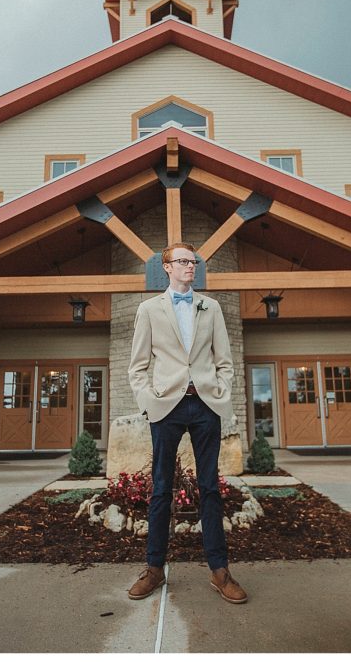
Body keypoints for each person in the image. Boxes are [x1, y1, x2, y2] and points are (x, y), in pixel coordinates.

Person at [127, 241, 247, 604]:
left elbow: (224, 360)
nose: (190, 266)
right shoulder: (149, 310)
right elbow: (137, 366)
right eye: (182, 261)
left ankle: (219, 570)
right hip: (167, 407)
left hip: (205, 405)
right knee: (161, 488)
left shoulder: (211, 308)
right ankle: (154, 569)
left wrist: (221, 393)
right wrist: (150, 402)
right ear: (167, 267)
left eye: (193, 262)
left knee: (210, 487)